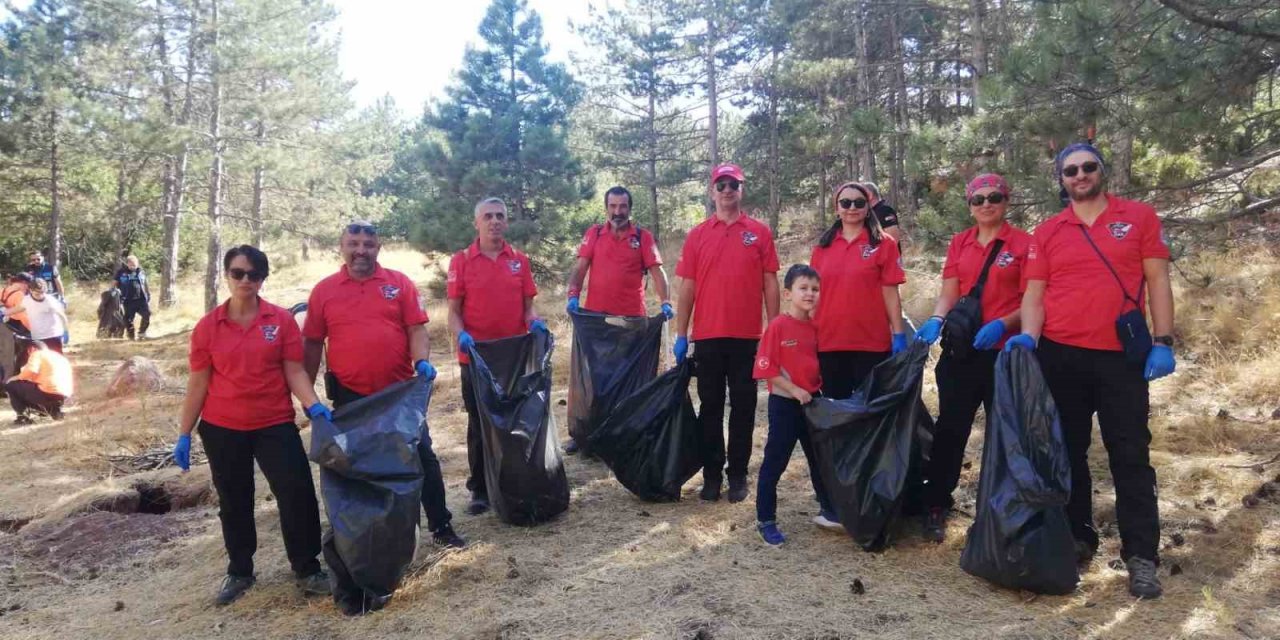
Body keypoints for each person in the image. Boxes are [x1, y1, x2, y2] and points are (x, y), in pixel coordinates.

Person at [1005, 142, 1176, 599]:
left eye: (1087, 167)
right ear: (1060, 180)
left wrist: (1163, 340)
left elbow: (1158, 279)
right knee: (1068, 452)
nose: (1079, 176)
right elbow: (1035, 293)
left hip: (1122, 359)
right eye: (1070, 171)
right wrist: (1029, 336)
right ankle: (1078, 540)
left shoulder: (1138, 217)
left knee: (1130, 456)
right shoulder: (1047, 231)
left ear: (1102, 170)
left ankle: (1142, 557)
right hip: (1061, 357)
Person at [171, 245, 332, 606]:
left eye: (254, 274)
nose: (246, 280)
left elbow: (294, 370)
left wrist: (314, 405)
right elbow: (198, 382)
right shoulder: (208, 326)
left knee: (297, 494)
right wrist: (184, 432)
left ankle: (307, 569)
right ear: (226, 275)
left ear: (263, 279)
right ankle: (240, 570)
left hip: (274, 423)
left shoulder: (280, 321)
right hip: (222, 427)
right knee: (234, 500)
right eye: (238, 273)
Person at [302, 221, 465, 549]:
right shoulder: (324, 290)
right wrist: (310, 398)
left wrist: (421, 360)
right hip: (351, 398)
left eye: (368, 244)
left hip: (399, 394)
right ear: (342, 246)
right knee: (357, 465)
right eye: (354, 243)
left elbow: (416, 330)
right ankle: (370, 533)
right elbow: (313, 343)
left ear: (378, 248)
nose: (361, 250)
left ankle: (441, 526)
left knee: (421, 456)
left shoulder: (399, 283)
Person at [913, 173, 1031, 542]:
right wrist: (936, 318)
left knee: (1004, 433)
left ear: (1006, 200)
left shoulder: (1024, 243)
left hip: (1005, 353)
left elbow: (1033, 299)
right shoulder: (960, 243)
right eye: (977, 199)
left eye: (993, 196)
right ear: (969, 205)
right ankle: (936, 504)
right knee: (951, 428)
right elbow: (951, 290)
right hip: (962, 352)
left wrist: (1004, 324)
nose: (985, 204)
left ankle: (999, 510)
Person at [674, 163, 780, 503]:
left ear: (741, 189)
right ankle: (711, 475)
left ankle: (737, 475)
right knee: (710, 407)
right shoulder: (698, 235)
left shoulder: (759, 233)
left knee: (745, 406)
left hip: (748, 337)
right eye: (721, 185)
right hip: (706, 337)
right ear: (712, 191)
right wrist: (680, 333)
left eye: (733, 184)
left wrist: (775, 330)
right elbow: (687, 287)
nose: (727, 190)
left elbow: (770, 283)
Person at [447, 198, 544, 515]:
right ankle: (479, 489)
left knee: (514, 420)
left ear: (506, 221)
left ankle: (514, 479)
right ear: (476, 222)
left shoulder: (519, 260)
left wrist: (535, 323)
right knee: (479, 424)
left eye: (500, 216)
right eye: (487, 216)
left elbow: (528, 307)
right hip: (476, 360)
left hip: (513, 358)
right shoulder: (461, 261)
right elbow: (453, 312)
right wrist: (460, 334)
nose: (494, 221)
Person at [563, 185, 673, 453]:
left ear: (629, 208)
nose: (618, 212)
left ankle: (624, 435)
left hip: (630, 323)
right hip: (597, 323)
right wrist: (573, 294)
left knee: (628, 382)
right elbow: (579, 268)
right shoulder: (594, 234)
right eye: (613, 206)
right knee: (596, 382)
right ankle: (586, 435)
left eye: (623, 206)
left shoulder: (642, 237)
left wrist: (666, 301)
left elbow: (658, 273)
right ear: (606, 208)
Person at [753, 264, 841, 545]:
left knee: (819, 460)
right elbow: (764, 369)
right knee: (775, 462)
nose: (810, 293)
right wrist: (794, 390)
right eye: (803, 288)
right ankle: (766, 520)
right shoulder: (778, 326)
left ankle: (829, 510)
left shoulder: (815, 327)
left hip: (812, 404)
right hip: (785, 405)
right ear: (788, 293)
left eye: (815, 289)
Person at [809, 182, 908, 400]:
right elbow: (812, 296)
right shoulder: (822, 248)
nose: (852, 207)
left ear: (867, 207)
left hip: (872, 342)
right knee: (836, 412)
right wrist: (805, 332)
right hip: (829, 341)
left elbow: (890, 292)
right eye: (845, 202)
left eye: (859, 202)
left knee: (869, 411)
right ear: (837, 208)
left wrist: (898, 333)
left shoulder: (885, 244)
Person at [4, 340, 72, 425]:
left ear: (32, 349)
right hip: (63, 395)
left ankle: (23, 417)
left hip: (47, 393)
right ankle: (54, 411)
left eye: (28, 352)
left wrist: (15, 378)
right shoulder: (59, 357)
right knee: (29, 387)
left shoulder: (37, 354)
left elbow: (30, 371)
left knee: (11, 385)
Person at [15, 279, 68, 352]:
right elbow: (18, 309)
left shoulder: (50, 301)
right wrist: (4, 313)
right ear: (31, 290)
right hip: (37, 336)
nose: (40, 296)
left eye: (42, 293)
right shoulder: (27, 300)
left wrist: (65, 331)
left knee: (55, 359)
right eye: (37, 293)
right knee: (41, 360)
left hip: (53, 335)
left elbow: (62, 315)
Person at [113, 254, 152, 340]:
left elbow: (145, 283)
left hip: (141, 299)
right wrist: (114, 293)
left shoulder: (141, 271)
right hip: (127, 300)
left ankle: (142, 332)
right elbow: (114, 284)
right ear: (127, 264)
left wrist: (148, 294)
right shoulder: (121, 272)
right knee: (128, 319)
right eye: (131, 264)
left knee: (147, 314)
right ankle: (131, 336)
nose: (133, 266)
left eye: (135, 264)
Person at [1, 274, 33, 370]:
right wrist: (32, 330)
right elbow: (22, 315)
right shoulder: (19, 295)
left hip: (4, 326)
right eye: (29, 285)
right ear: (23, 283)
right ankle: (11, 379)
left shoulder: (4, 290)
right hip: (14, 328)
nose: (28, 288)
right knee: (15, 354)